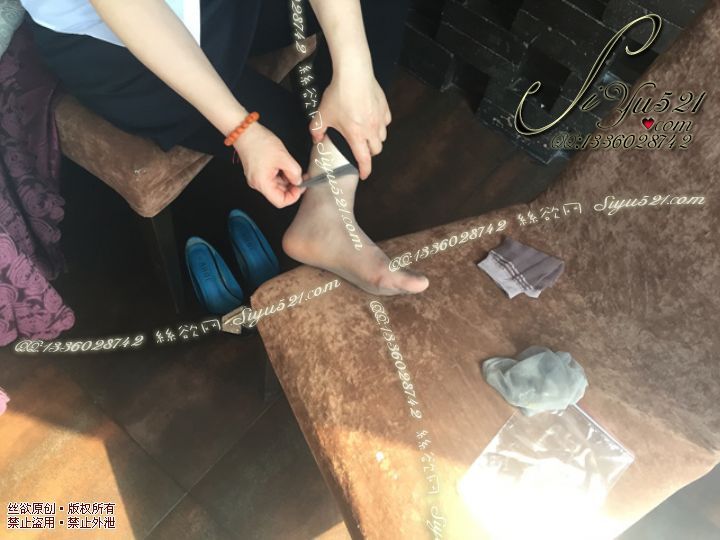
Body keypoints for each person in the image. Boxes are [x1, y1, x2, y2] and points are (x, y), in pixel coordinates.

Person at [22, 0, 430, 296]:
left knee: (346, 97)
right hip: (123, 47)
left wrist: (353, 70)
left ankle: (326, 213)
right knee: (298, 142)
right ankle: (324, 214)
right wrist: (243, 131)